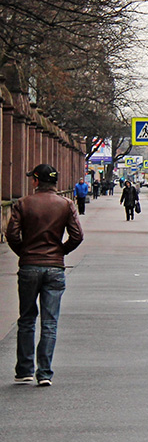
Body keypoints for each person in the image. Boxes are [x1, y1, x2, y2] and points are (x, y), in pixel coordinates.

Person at [5, 163, 83, 386]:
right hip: (55, 268)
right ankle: (45, 373)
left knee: (27, 318)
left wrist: (24, 252)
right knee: (50, 322)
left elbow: (12, 234)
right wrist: (59, 252)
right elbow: (77, 236)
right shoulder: (66, 204)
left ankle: (24, 370)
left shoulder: (23, 203)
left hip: (29, 266)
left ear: (36, 181)